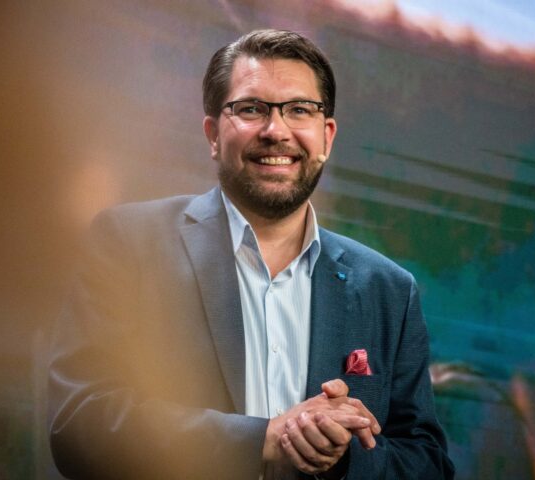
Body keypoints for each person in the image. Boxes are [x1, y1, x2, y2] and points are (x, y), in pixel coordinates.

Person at [48, 29, 454, 479]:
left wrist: (340, 456)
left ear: (327, 137)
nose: (275, 130)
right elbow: (79, 423)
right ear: (213, 134)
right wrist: (263, 440)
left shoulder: (388, 290)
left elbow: (427, 464)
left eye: (300, 110)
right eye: (250, 109)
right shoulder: (129, 243)